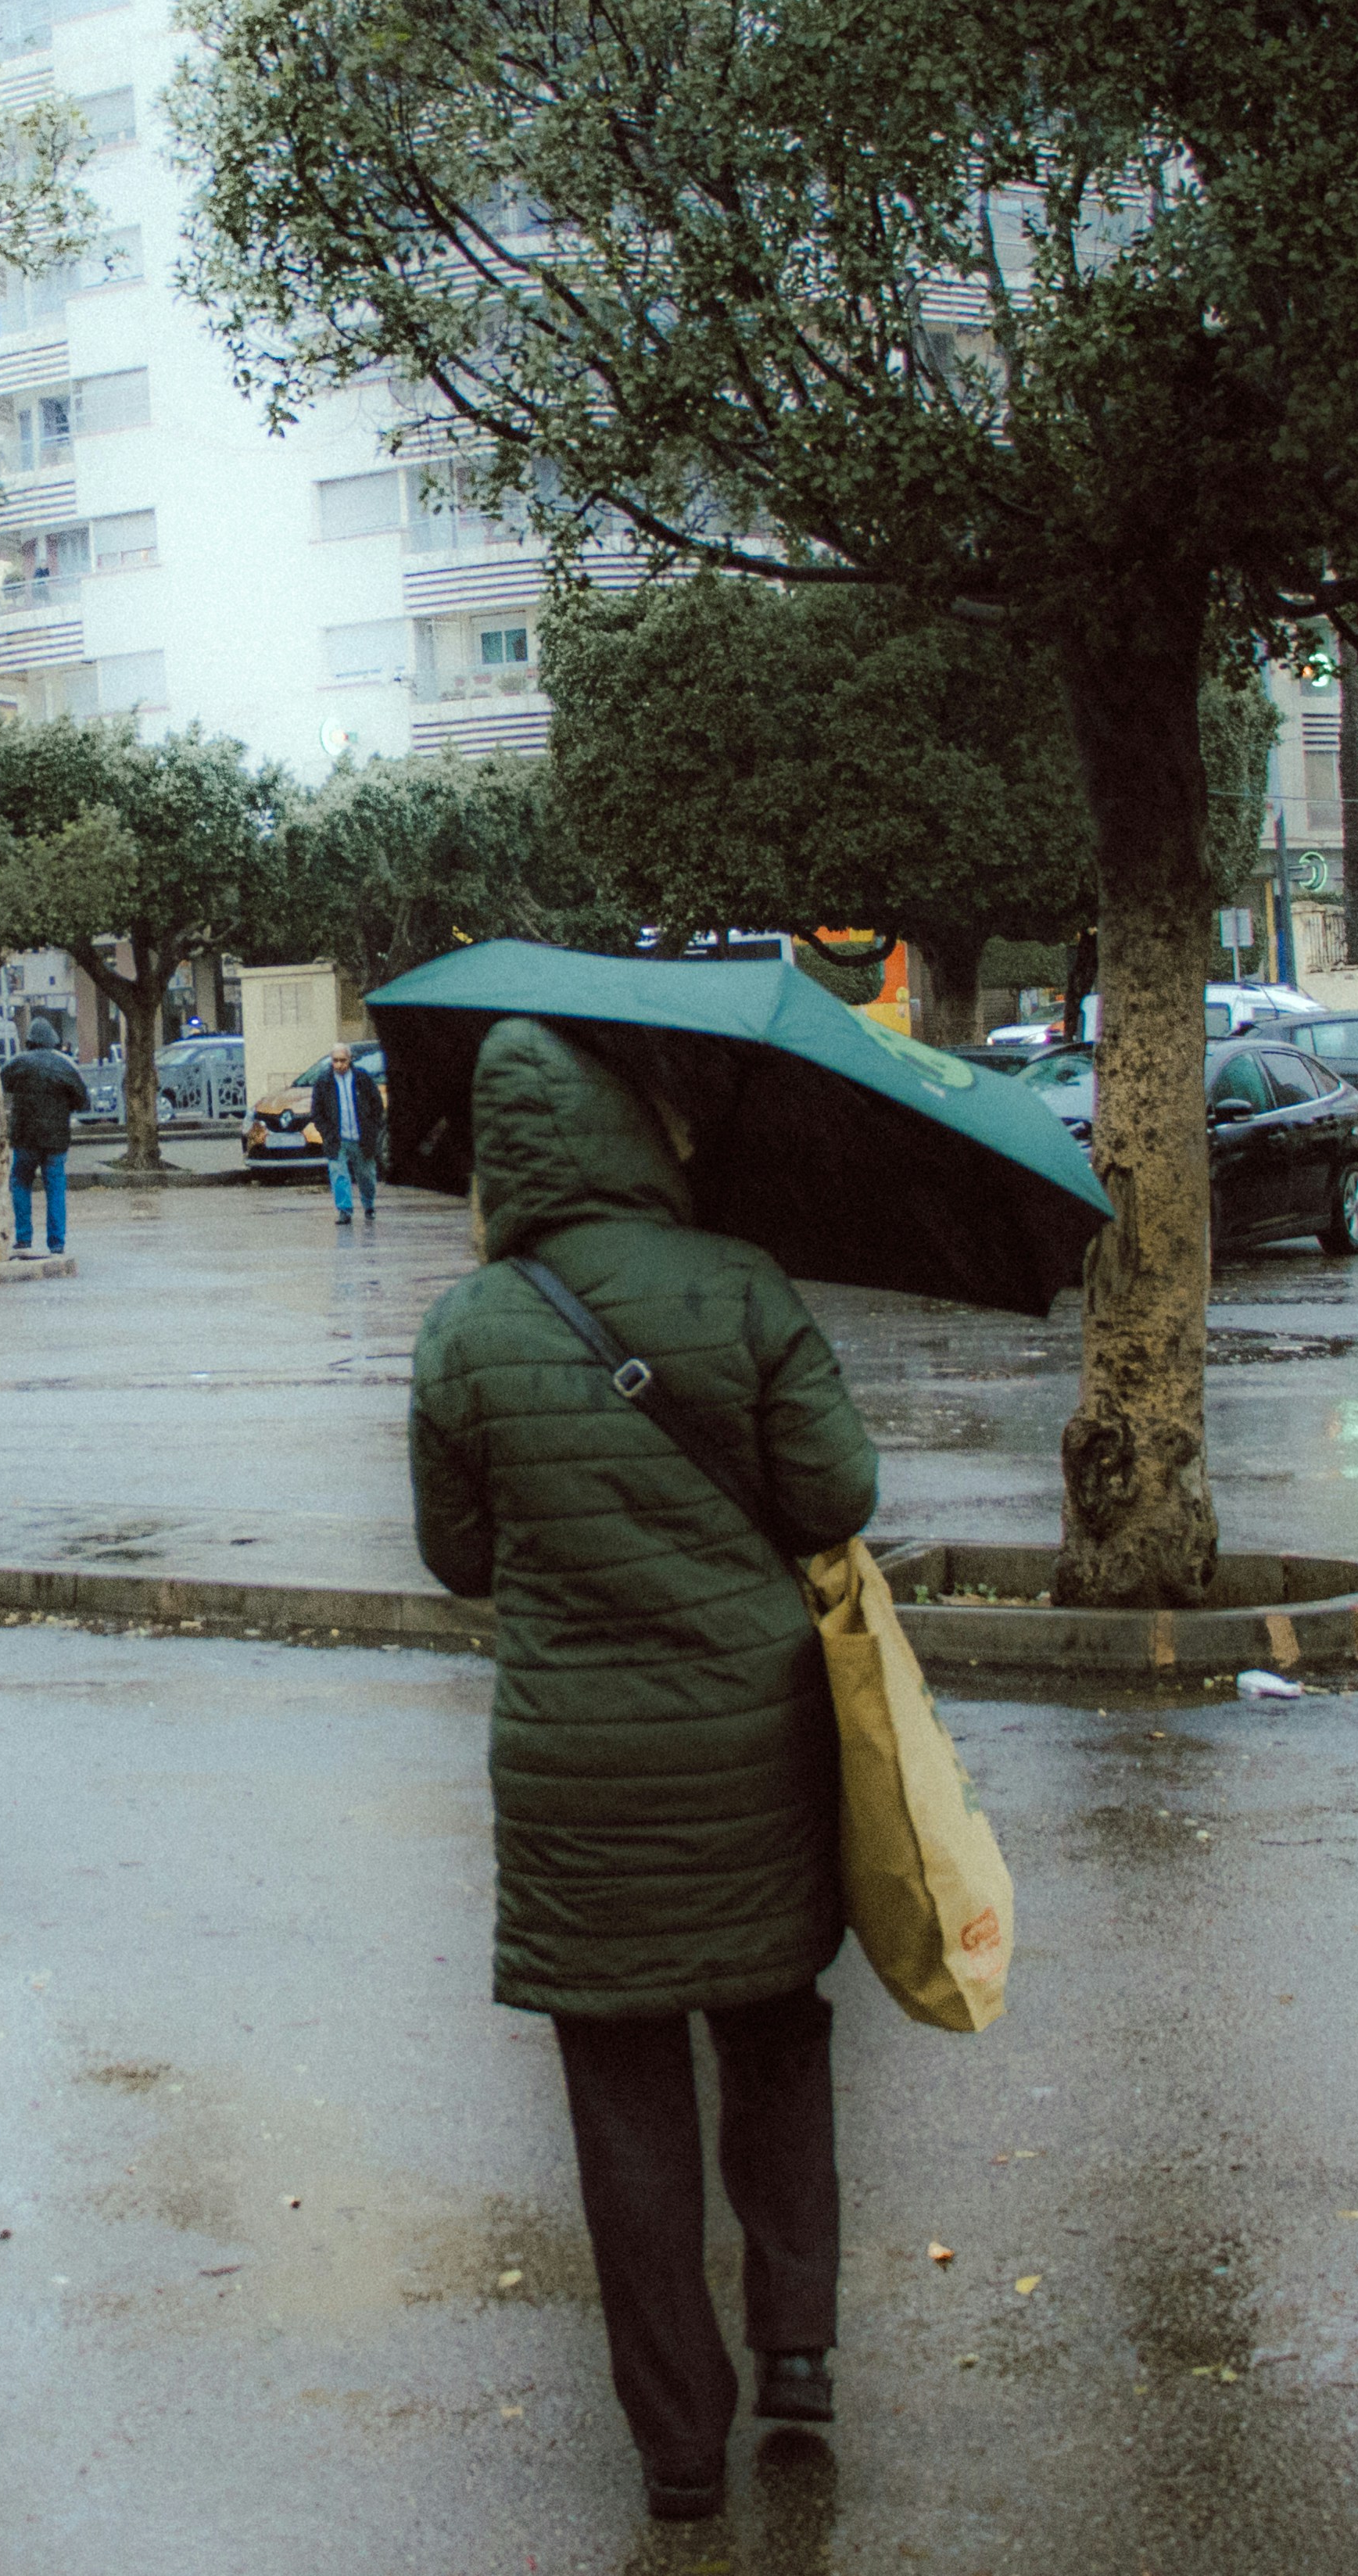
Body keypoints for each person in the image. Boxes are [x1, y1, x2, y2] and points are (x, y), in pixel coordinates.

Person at [409, 1018, 880, 2524]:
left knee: (622, 2098)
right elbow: (837, 1493)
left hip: (575, 1779)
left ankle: (679, 2447)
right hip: (754, 1749)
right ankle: (796, 2343)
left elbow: (458, 1557)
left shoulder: (466, 1329)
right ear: (631, 1131)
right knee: (776, 2033)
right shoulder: (739, 1282)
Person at [0, 1016, 86, 1258]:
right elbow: (82, 1100)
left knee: (20, 1183)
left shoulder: (18, 1063)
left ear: (29, 1041)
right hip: (56, 1140)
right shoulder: (65, 1066)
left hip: (25, 1138)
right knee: (55, 1188)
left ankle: (24, 1238)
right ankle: (57, 1243)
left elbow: (0, 1085)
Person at [314, 1044, 384, 1227]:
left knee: (366, 1176)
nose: (339, 1065)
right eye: (335, 1061)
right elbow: (317, 1111)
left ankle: (369, 1205)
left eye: (342, 1060)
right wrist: (327, 1132)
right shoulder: (324, 1082)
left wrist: (372, 1129)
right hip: (337, 1139)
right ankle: (344, 1210)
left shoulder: (362, 1079)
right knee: (339, 1175)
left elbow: (377, 1105)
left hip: (362, 1138)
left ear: (350, 1060)